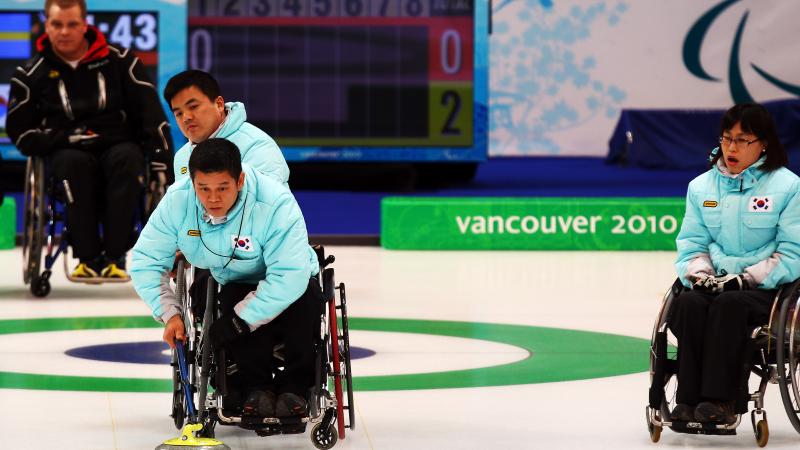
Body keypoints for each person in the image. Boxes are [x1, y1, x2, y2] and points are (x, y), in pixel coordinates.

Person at [130, 138, 320, 418]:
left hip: (289, 282)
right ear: (192, 182)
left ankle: (297, 387)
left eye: (222, 188)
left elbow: (290, 274)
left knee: (305, 296)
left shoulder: (275, 201)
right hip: (233, 280)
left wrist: (239, 321)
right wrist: (170, 313)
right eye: (203, 189)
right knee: (229, 295)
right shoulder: (178, 201)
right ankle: (256, 387)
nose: (213, 198)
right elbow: (145, 260)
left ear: (240, 180)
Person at [6, 0, 173, 279]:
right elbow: (21, 134)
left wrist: (161, 165)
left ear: (85, 24)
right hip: (66, 150)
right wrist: (65, 137)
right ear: (46, 25)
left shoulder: (122, 61)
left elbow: (152, 117)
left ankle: (115, 257)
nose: (64, 31)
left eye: (72, 24)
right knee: (73, 165)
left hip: (119, 145)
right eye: (57, 24)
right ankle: (88, 258)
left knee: (128, 159)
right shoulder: (30, 75)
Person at [670, 103, 800, 424]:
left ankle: (721, 401)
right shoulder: (701, 188)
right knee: (688, 304)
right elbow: (691, 246)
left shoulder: (788, 187)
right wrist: (700, 276)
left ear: (764, 144)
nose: (731, 147)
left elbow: (793, 254)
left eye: (743, 140)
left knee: (730, 305)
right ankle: (687, 401)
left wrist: (746, 279)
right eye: (727, 138)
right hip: (715, 282)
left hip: (767, 290)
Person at [163, 70, 288, 186]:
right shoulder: (182, 156)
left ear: (219, 104)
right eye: (178, 113)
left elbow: (266, 205)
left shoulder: (257, 146)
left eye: (193, 106)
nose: (186, 118)